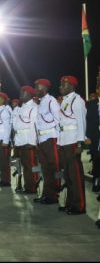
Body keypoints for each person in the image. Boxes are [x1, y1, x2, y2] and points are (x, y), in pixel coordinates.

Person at [57, 75, 87, 215]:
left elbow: (81, 122)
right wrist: (59, 141)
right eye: (61, 84)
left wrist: (80, 143)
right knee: (68, 175)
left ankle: (79, 205)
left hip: (73, 141)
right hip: (64, 140)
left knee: (75, 175)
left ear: (72, 86)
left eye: (64, 84)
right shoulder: (65, 101)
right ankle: (70, 202)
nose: (61, 87)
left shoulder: (77, 101)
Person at [33, 79, 61, 204]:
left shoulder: (51, 101)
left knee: (53, 167)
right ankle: (47, 194)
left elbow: (59, 120)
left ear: (44, 88)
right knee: (45, 169)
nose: (35, 90)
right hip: (42, 139)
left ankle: (54, 195)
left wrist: (59, 140)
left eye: (37, 87)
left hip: (50, 138)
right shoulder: (41, 103)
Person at [13, 86, 39, 194]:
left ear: (29, 94)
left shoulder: (34, 107)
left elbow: (34, 125)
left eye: (23, 93)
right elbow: (16, 125)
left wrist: (32, 142)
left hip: (28, 139)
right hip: (20, 139)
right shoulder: (21, 107)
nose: (20, 95)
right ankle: (27, 185)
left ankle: (32, 187)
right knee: (25, 165)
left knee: (31, 165)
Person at [0, 92, 12, 187]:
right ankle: (3, 179)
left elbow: (7, 127)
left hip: (2, 140)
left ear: (3, 100)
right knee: (0, 160)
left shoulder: (4, 111)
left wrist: (5, 141)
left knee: (4, 161)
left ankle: (6, 180)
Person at [86, 87, 100, 192]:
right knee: (96, 160)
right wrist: (88, 137)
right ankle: (96, 183)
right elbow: (88, 121)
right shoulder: (92, 104)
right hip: (95, 138)